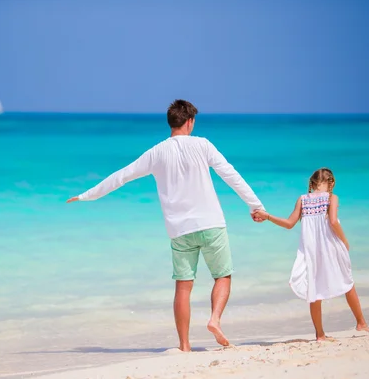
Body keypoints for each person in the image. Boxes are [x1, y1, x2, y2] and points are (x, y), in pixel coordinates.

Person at [66, 99, 265, 350]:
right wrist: (255, 205)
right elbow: (231, 175)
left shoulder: (156, 153)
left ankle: (184, 346)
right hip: (211, 223)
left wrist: (87, 195)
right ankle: (214, 319)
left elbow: (121, 177)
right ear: (190, 121)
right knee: (222, 276)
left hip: (180, 230)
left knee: (183, 286)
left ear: (171, 122)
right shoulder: (203, 145)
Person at [253, 168, 369, 341]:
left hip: (311, 250)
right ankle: (361, 323)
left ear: (312, 183)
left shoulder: (302, 199)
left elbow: (288, 224)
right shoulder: (332, 198)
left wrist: (267, 216)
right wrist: (344, 241)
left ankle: (320, 334)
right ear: (331, 183)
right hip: (331, 246)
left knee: (313, 289)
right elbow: (333, 222)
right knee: (347, 281)